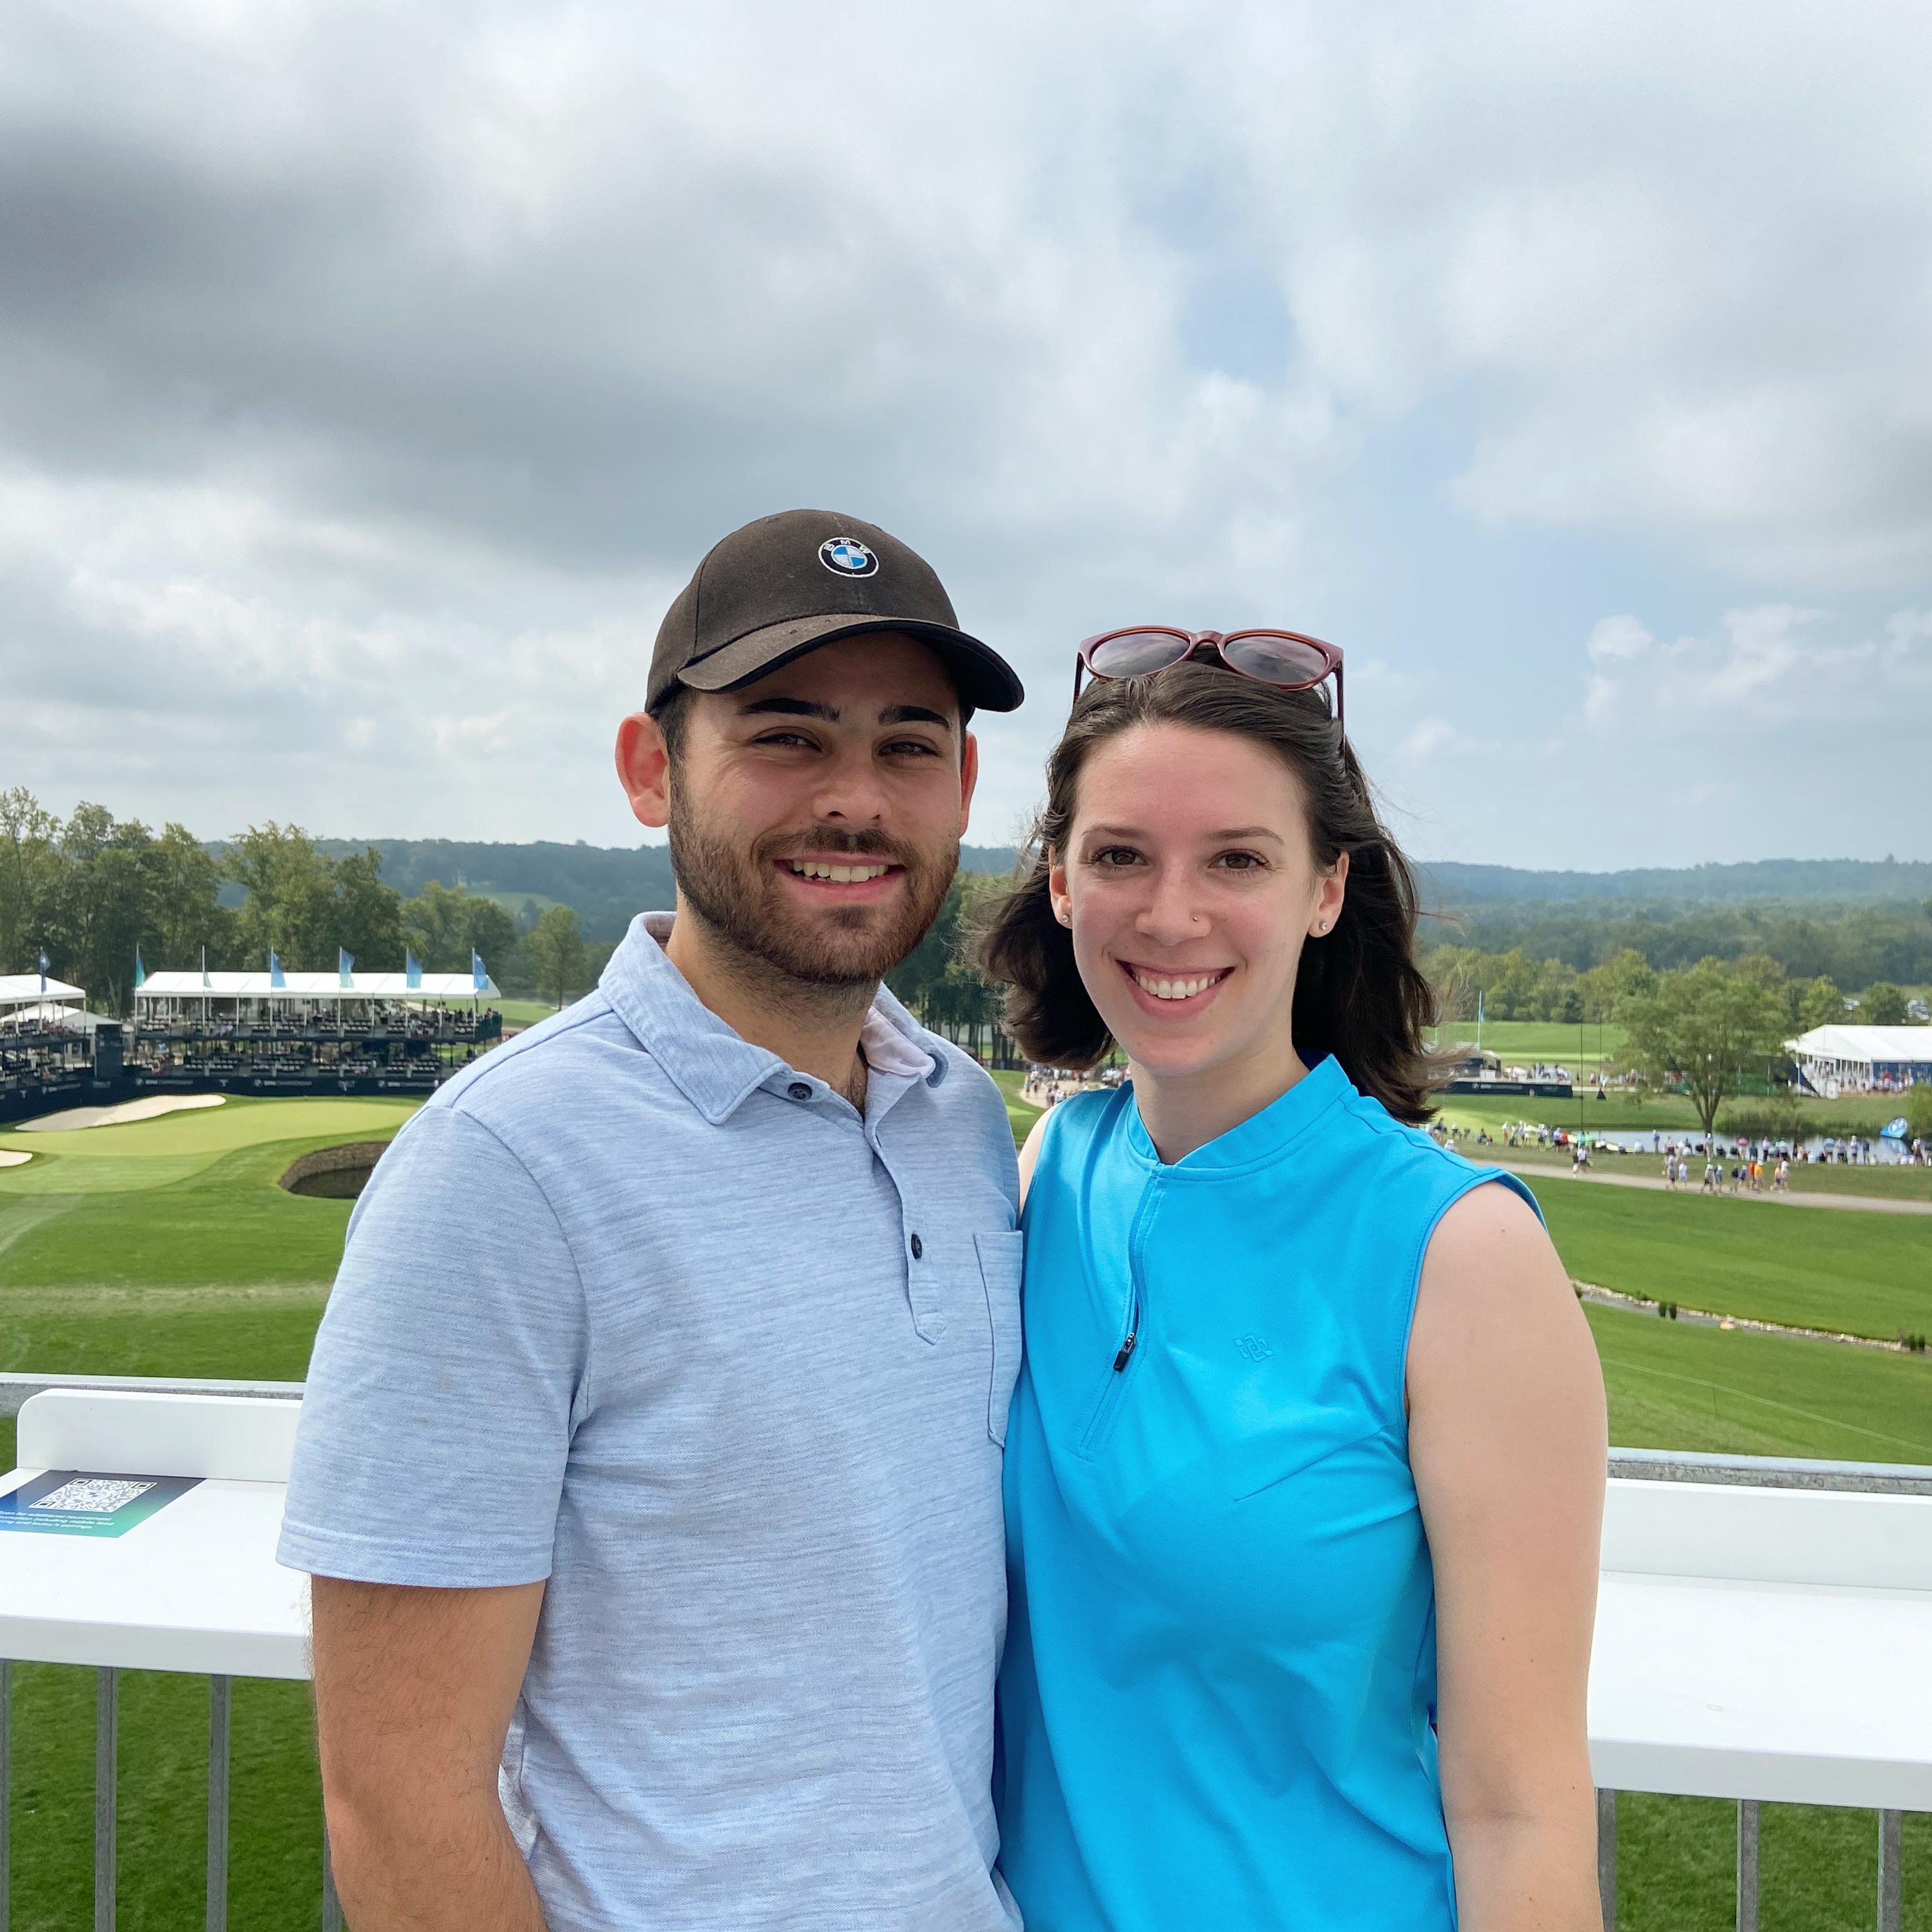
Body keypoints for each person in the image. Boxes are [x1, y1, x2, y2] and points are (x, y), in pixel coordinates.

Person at [277, 509, 1029, 1931]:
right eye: (786, 734)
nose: (854, 800)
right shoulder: (499, 1165)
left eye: (906, 743)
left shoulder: (958, 1118)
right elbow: (397, 1798)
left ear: (961, 783)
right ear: (650, 767)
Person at [982, 650, 1606, 1930]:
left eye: (1234, 858)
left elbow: (1519, 1807)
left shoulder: (1458, 1254)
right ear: (1057, 879)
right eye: (1117, 856)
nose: (1169, 913)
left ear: (1325, 888)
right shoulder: (1050, 1169)